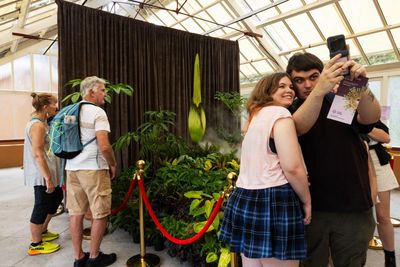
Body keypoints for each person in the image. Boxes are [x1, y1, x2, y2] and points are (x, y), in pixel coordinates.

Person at [286, 52, 381, 267]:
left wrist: (361, 86)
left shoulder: (339, 99)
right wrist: (319, 91)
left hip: (353, 206)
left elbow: (370, 119)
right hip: (311, 210)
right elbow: (298, 127)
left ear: (324, 74)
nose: (307, 85)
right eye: (299, 80)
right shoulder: (289, 110)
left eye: (313, 77)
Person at [219, 72, 312, 267]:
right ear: (267, 91)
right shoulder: (281, 115)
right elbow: (293, 167)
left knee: (252, 263)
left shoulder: (255, 117)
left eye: (290, 87)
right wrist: (307, 201)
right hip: (274, 198)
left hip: (244, 197)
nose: (289, 90)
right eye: (281, 86)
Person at [65, 76, 117, 267]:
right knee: (100, 213)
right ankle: (95, 257)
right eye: (102, 90)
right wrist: (112, 163)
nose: (105, 94)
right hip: (93, 169)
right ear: (91, 92)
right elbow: (104, 145)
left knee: (76, 213)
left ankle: (79, 257)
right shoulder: (98, 112)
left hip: (71, 168)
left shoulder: (69, 111)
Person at [24, 93, 63, 256]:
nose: (57, 106)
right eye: (54, 104)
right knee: (41, 205)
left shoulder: (41, 122)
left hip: (48, 171)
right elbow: (38, 153)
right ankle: (36, 244)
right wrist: (47, 178)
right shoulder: (37, 125)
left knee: (56, 197)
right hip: (41, 174)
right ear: (45, 106)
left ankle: (43, 231)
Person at [364, 121, 398, 267]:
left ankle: (390, 259)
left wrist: (361, 124)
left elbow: (385, 137)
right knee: (359, 217)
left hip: (377, 160)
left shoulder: (366, 113)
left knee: (383, 216)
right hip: (352, 159)